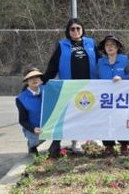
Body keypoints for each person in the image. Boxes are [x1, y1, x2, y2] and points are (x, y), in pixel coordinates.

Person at [42, 18, 98, 157]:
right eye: (72, 29)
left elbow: (100, 61)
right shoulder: (62, 45)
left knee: (90, 112)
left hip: (89, 85)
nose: (75, 31)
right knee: (72, 115)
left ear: (82, 29)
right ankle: (74, 141)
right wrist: (43, 80)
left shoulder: (91, 43)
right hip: (69, 86)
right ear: (68, 31)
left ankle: (92, 137)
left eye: (78, 28)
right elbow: (53, 65)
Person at [97, 34, 129, 156]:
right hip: (105, 97)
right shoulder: (100, 62)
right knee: (105, 119)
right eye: (107, 45)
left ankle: (124, 144)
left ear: (117, 47)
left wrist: (122, 78)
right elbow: (95, 77)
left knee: (121, 119)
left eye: (112, 45)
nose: (110, 47)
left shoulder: (125, 60)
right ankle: (108, 145)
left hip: (121, 97)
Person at [15, 68, 47, 156]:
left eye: (37, 77)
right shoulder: (21, 98)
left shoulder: (48, 90)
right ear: (26, 81)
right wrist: (33, 129)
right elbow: (22, 120)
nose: (34, 80)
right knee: (36, 140)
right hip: (33, 128)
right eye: (31, 78)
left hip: (48, 125)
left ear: (41, 80)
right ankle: (32, 146)